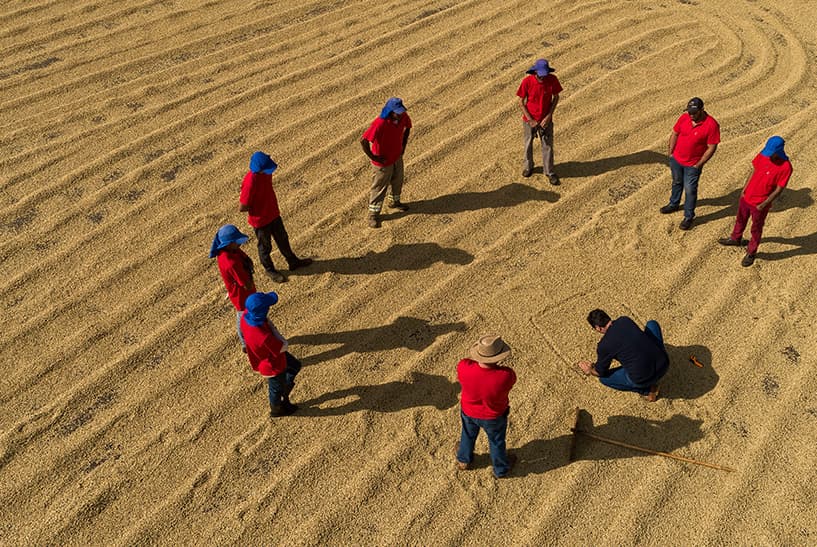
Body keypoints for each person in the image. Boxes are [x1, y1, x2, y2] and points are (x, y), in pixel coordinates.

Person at [718, 136, 793, 267]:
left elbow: (778, 189)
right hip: (747, 197)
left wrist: (764, 204)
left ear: (779, 152)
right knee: (740, 219)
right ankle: (735, 238)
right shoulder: (763, 156)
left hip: (760, 204)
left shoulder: (786, 167)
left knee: (756, 228)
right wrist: (744, 189)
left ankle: (751, 252)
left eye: (771, 153)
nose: (768, 155)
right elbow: (753, 171)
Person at [239, 151, 312, 283]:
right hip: (260, 221)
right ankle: (269, 269)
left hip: (273, 213)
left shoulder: (266, 174)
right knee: (265, 246)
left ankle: (293, 261)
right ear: (259, 169)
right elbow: (243, 206)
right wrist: (258, 207)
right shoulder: (250, 182)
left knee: (283, 238)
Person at [455, 335, 517, 478]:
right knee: (496, 442)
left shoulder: (463, 366)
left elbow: (467, 362)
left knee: (467, 435)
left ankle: (463, 460)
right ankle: (500, 469)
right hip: (494, 416)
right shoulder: (506, 375)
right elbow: (510, 380)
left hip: (469, 411)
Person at [578, 310, 669, 402]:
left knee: (604, 379)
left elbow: (600, 372)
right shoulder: (625, 320)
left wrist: (590, 370)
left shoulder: (604, 345)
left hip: (644, 377)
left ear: (598, 328)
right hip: (664, 363)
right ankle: (656, 353)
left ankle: (648, 390)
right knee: (652, 324)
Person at [660, 97, 720, 230]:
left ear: (702, 110)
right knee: (676, 182)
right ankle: (674, 204)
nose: (691, 115)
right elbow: (675, 133)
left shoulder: (712, 125)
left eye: (694, 112)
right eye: (689, 112)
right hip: (676, 160)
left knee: (690, 190)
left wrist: (699, 164)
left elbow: (712, 147)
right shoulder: (684, 118)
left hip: (692, 165)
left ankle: (688, 216)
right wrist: (671, 153)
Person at [240, 292, 303, 417]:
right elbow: (283, 345)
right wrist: (273, 328)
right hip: (273, 364)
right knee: (275, 388)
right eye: (267, 307)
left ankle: (285, 393)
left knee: (294, 366)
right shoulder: (263, 337)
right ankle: (276, 409)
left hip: (269, 358)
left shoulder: (245, 317)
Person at [360, 97, 412, 228]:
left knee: (398, 181)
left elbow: (408, 128)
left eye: (401, 111)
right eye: (397, 112)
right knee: (379, 188)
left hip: (396, 157)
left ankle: (395, 202)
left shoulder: (403, 117)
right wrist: (374, 157)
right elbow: (363, 140)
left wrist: (403, 146)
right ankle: (373, 215)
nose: (400, 114)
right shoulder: (380, 123)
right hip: (382, 164)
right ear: (390, 111)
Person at [209, 224, 256, 352]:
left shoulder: (228, 251)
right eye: (236, 242)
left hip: (242, 291)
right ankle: (245, 342)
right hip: (241, 294)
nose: (239, 244)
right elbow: (244, 283)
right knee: (242, 314)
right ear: (229, 244)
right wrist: (251, 287)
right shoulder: (231, 262)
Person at [517, 58, 562, 184]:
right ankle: (528, 167)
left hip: (545, 121)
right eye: (541, 75)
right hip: (529, 120)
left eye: (545, 75)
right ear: (535, 71)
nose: (543, 78)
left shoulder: (552, 80)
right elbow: (520, 102)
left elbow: (556, 97)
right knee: (528, 144)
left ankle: (549, 171)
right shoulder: (527, 82)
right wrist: (530, 120)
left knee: (547, 145)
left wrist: (548, 116)